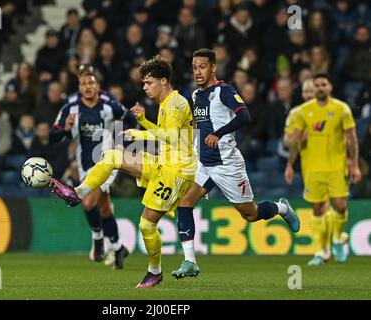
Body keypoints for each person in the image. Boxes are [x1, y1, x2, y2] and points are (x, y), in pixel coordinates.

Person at [50, 55, 197, 288]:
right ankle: (77, 192)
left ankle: (154, 272)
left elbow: (171, 136)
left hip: (178, 171)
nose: (145, 88)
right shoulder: (165, 103)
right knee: (113, 156)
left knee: (147, 225)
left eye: (149, 83)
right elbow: (166, 134)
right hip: (163, 162)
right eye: (144, 83)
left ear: (164, 81)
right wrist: (145, 122)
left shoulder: (177, 104)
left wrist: (139, 132)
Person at [171, 49, 300, 279]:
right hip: (205, 163)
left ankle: (282, 208)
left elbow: (244, 116)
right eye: (194, 67)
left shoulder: (224, 91)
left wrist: (219, 134)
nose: (197, 71)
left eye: (202, 66)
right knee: (184, 204)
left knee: (250, 214)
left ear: (213, 67)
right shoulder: (195, 95)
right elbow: (198, 127)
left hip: (227, 164)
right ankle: (190, 261)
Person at [49, 70, 136, 269]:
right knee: (104, 208)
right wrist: (64, 129)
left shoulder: (109, 106)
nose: (88, 86)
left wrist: (121, 141)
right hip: (84, 164)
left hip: (106, 161)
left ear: (97, 87)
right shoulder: (70, 108)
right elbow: (53, 136)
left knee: (88, 203)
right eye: (84, 83)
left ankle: (97, 239)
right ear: (79, 88)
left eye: (91, 83)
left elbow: (130, 119)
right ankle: (117, 247)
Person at [285, 73, 361, 266]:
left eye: (322, 84)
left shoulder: (341, 109)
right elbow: (292, 143)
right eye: (316, 85)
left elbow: (351, 139)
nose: (319, 88)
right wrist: (290, 164)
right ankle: (321, 250)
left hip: (336, 166)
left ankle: (336, 239)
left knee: (341, 205)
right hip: (313, 168)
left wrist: (354, 164)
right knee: (318, 209)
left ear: (330, 87)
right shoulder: (302, 112)